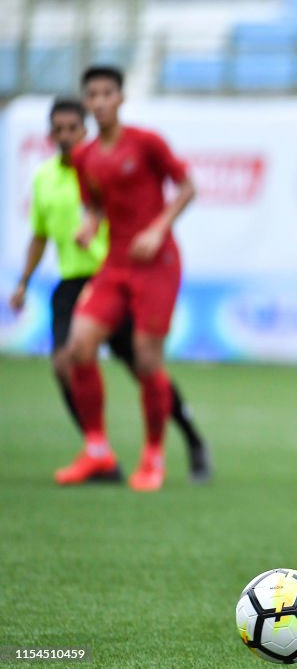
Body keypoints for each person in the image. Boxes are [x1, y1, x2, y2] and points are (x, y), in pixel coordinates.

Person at [8, 98, 210, 484]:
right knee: (67, 360)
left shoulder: (102, 162)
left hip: (117, 273)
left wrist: (135, 230)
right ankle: (96, 450)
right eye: (57, 130)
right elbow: (40, 235)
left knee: (144, 366)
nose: (64, 137)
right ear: (49, 135)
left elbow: (112, 207)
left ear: (85, 130)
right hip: (74, 281)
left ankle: (190, 439)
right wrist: (23, 282)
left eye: (72, 129)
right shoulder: (45, 178)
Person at [57, 66, 196, 492]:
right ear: (87, 103)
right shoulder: (85, 156)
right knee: (78, 348)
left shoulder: (147, 143)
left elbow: (187, 187)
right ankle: (97, 450)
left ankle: (153, 455)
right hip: (115, 264)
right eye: (92, 95)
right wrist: (89, 224)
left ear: (120, 98)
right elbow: (94, 205)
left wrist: (157, 228)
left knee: (146, 358)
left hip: (157, 263)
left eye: (106, 93)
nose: (99, 101)